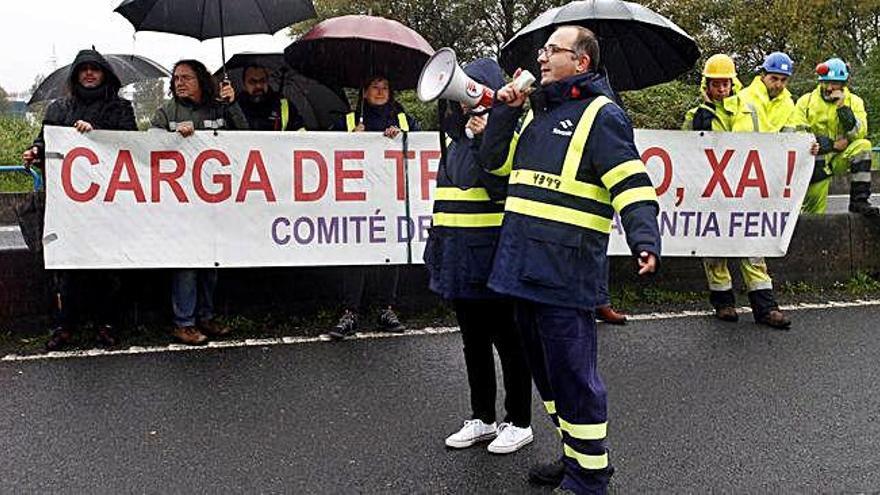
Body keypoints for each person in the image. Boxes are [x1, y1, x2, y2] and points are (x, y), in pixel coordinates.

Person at [478, 26, 661, 494]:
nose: (541, 58)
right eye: (542, 50)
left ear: (581, 62)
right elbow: (495, 166)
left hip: (564, 273)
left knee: (575, 380)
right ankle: (577, 455)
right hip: (520, 269)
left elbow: (632, 183)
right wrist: (505, 110)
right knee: (549, 378)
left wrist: (645, 237)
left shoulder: (602, 114)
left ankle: (589, 477)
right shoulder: (537, 115)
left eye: (551, 51)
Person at [425, 58, 534, 455]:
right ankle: (483, 418)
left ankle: (519, 421)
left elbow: (497, 186)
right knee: (473, 344)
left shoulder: (508, 137)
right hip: (458, 256)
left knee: (510, 341)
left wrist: (486, 139)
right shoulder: (455, 141)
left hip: (492, 258)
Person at [22, 48, 137, 351]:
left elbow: (132, 143)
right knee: (67, 268)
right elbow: (44, 140)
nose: (89, 74)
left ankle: (108, 324)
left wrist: (96, 134)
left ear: (104, 74)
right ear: (76, 76)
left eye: (94, 69)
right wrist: (35, 151)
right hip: (68, 206)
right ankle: (64, 326)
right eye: (83, 69)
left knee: (108, 269)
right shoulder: (59, 108)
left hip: (109, 204)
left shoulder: (121, 108)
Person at [698, 52, 816, 330]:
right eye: (716, 84)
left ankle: (765, 307)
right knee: (715, 246)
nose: (721, 89)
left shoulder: (749, 107)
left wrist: (808, 146)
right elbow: (686, 151)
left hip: (748, 185)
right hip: (714, 189)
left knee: (753, 244)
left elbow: (780, 139)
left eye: (725, 84)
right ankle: (723, 302)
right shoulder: (704, 112)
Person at [151, 59, 249, 345]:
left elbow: (246, 138)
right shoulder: (166, 112)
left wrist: (233, 105)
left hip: (214, 202)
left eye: (186, 78)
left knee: (211, 263)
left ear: (201, 81)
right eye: (176, 78)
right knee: (187, 263)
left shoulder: (219, 108)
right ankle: (184, 322)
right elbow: (148, 146)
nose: (179, 82)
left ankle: (205, 316)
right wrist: (172, 138)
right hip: (180, 203)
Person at [327, 76, 420, 339]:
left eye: (385, 88)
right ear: (364, 91)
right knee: (357, 254)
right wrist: (350, 139)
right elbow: (323, 146)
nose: (380, 92)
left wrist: (403, 137)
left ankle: (386, 309)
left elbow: (420, 141)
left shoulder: (402, 118)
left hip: (391, 198)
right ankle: (350, 312)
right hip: (356, 199)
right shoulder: (348, 120)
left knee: (391, 252)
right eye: (375, 87)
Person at [795, 57, 878, 216]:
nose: (830, 87)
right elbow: (798, 134)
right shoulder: (805, 102)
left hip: (841, 158)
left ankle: (859, 202)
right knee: (813, 214)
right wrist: (831, 145)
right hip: (816, 163)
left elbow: (860, 133)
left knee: (863, 146)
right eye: (826, 82)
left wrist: (843, 109)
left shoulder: (855, 102)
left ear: (844, 84)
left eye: (835, 83)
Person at [237, 64, 306, 131]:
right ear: (244, 85)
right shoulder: (236, 106)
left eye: (262, 80)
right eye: (252, 82)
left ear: (267, 81)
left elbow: (300, 133)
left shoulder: (284, 105)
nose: (258, 86)